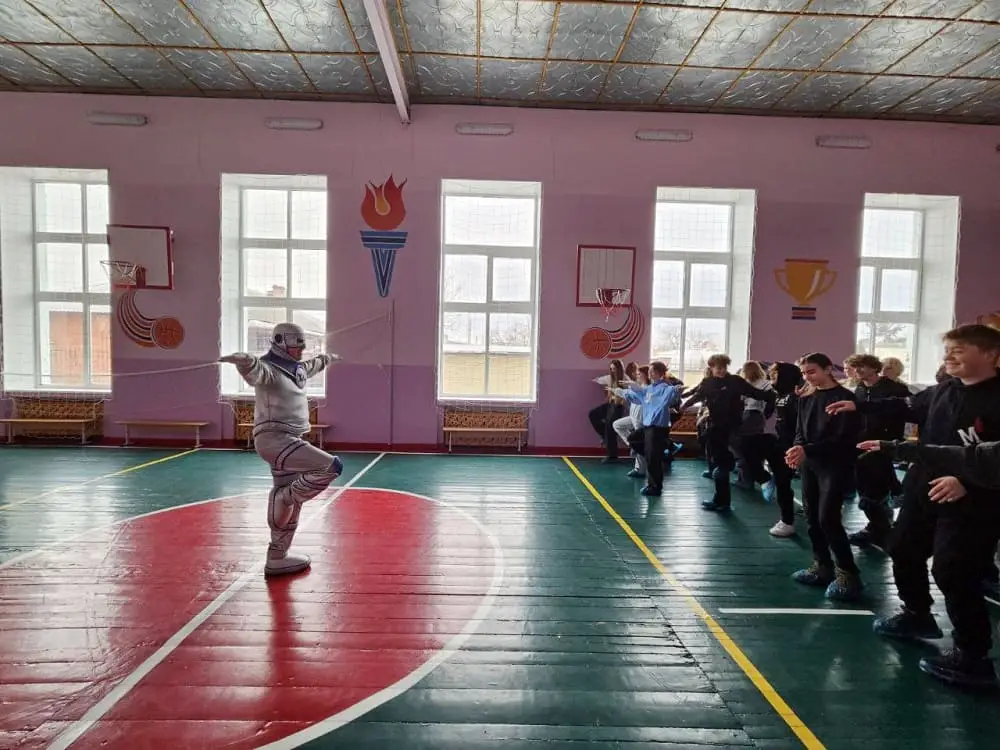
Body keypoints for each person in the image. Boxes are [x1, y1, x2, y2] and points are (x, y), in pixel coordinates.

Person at [826, 324, 1000, 687]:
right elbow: (904, 406)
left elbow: (992, 459)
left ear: (991, 355)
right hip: (924, 485)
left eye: (959, 350)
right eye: (947, 350)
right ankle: (917, 613)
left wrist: (967, 482)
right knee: (903, 547)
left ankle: (973, 656)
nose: (949, 357)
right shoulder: (944, 391)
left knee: (953, 570)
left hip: (973, 498)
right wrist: (858, 404)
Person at [220, 322, 343, 577]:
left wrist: (328, 358)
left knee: (290, 504)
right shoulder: (268, 369)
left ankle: (277, 556)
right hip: (275, 440)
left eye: (302, 346)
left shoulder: (297, 369)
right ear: (280, 343)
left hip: (288, 439)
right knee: (331, 467)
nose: (300, 350)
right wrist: (244, 361)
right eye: (296, 346)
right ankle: (286, 497)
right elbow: (254, 370)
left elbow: (312, 365)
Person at [785, 353, 863, 601]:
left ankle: (848, 573)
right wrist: (797, 449)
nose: (807, 377)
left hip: (835, 464)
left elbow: (842, 439)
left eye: (812, 371)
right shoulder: (806, 397)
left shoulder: (845, 399)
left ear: (828, 369)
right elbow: (800, 430)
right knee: (811, 516)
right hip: (811, 464)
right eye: (804, 373)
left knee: (828, 518)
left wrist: (806, 449)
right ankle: (822, 565)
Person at [680, 354, 776, 512]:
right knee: (720, 465)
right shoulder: (708, 383)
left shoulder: (736, 381)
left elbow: (756, 393)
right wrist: (683, 406)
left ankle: (763, 478)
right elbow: (697, 395)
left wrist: (773, 395)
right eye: (718, 368)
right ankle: (722, 501)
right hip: (716, 428)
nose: (722, 371)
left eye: (724, 367)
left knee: (741, 455)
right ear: (711, 368)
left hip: (734, 426)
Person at [843, 353, 912, 548]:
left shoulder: (894, 389)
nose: (857, 371)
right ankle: (878, 526)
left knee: (873, 490)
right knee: (864, 486)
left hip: (885, 443)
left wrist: (899, 440)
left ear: (874, 368)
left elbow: (905, 413)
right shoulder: (860, 389)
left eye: (862, 366)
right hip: (862, 442)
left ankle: (881, 527)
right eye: (855, 367)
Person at [610, 361, 682, 497]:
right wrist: (618, 391)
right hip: (648, 428)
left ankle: (654, 487)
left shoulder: (663, 388)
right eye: (649, 371)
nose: (649, 373)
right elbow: (636, 396)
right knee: (633, 439)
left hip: (658, 428)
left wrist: (677, 390)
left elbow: (673, 393)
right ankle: (662, 453)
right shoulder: (649, 389)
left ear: (660, 373)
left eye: (652, 371)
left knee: (653, 459)